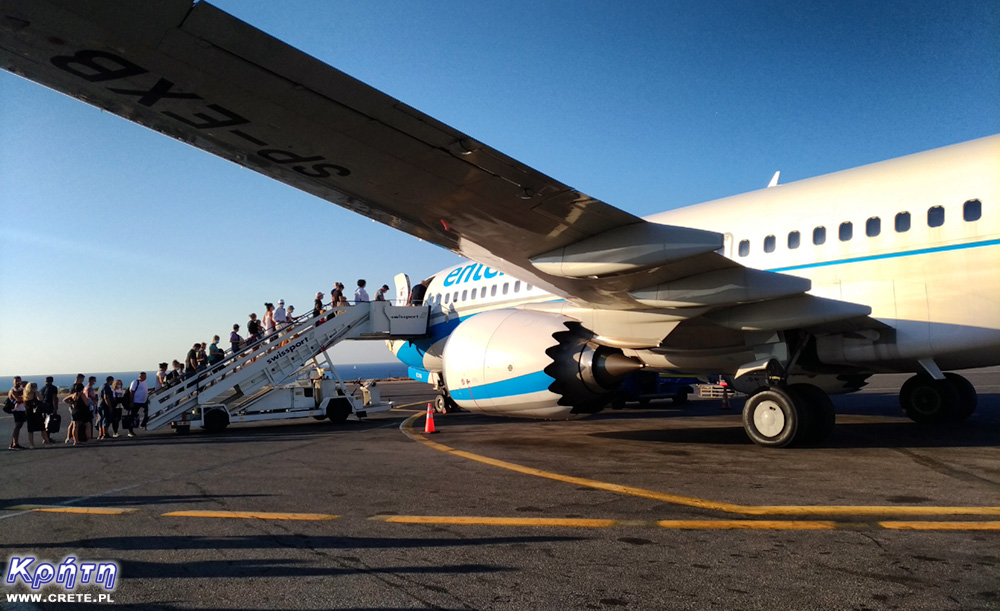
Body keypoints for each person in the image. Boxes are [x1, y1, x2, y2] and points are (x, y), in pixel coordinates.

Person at [23, 382, 50, 448]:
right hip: (32, 412)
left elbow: (40, 399)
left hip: (34, 412)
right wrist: (35, 393)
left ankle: (43, 442)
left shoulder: (31, 394)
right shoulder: (30, 394)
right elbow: (37, 399)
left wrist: (36, 393)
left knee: (39, 428)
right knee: (34, 429)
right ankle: (35, 444)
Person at [65, 374, 84, 444]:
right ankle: (70, 437)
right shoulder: (75, 387)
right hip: (74, 407)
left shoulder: (73, 386)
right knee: (74, 423)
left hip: (73, 406)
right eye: (82, 379)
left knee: (73, 423)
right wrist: (72, 402)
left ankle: (70, 437)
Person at [8, 376, 25, 450]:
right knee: (17, 426)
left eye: (19, 381)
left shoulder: (21, 389)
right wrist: (25, 398)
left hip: (22, 410)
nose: (18, 382)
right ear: (13, 382)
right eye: (16, 381)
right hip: (17, 410)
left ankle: (13, 443)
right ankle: (15, 444)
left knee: (19, 426)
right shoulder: (13, 390)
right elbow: (18, 398)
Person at [98, 376, 115, 440]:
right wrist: (110, 406)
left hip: (99, 405)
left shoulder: (101, 386)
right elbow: (106, 397)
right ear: (110, 380)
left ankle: (100, 434)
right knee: (105, 419)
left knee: (101, 419)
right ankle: (105, 433)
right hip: (104, 406)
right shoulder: (106, 387)